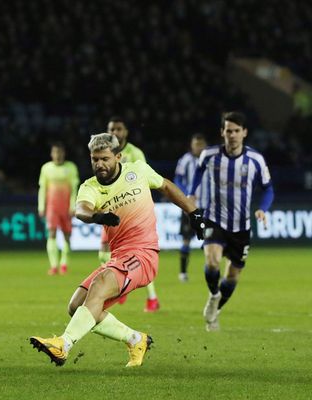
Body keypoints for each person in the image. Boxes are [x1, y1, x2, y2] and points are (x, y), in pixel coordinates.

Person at [29, 133, 204, 368]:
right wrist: (97, 216)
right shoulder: (90, 186)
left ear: (118, 157)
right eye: (94, 159)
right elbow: (81, 209)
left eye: (104, 159)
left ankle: (64, 344)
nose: (99, 164)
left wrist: (193, 212)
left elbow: (166, 186)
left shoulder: (138, 171)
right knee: (75, 307)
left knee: (100, 284)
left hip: (143, 254)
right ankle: (135, 339)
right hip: (120, 257)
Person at [189, 112, 273, 332]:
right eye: (229, 131)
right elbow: (198, 173)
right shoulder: (209, 155)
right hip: (214, 219)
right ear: (222, 132)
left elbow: (268, 189)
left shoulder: (255, 160)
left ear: (244, 132)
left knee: (233, 275)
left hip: (241, 226)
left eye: (237, 131)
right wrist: (192, 193)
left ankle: (216, 309)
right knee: (212, 260)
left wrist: (262, 209)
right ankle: (214, 294)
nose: (233, 135)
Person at [103, 116, 159, 312]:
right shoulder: (104, 153)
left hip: (132, 213)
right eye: (112, 129)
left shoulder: (135, 153)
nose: (115, 132)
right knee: (106, 251)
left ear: (125, 132)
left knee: (136, 256)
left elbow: (144, 179)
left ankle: (152, 298)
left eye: (118, 129)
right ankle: (120, 288)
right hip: (110, 211)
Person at [37, 142, 80, 275]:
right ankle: (54, 265)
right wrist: (41, 206)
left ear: (64, 153)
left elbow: (74, 189)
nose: (57, 155)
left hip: (66, 207)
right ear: (51, 154)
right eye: (55, 152)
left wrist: (73, 206)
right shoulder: (46, 168)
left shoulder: (71, 167)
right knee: (51, 233)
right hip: (52, 207)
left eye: (60, 152)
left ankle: (64, 264)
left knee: (67, 236)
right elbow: (43, 188)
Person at [173, 133, 208, 282]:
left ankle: (211, 271)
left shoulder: (211, 160)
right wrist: (186, 194)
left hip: (208, 206)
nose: (198, 147)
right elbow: (177, 179)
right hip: (190, 207)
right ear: (191, 145)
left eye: (201, 145)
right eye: (196, 144)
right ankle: (182, 273)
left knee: (211, 241)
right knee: (186, 240)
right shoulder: (185, 160)